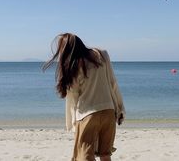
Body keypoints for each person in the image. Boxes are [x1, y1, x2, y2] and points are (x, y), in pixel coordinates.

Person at [43, 33, 125, 161]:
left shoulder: (74, 65)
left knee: (85, 156)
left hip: (87, 115)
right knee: (105, 155)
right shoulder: (102, 54)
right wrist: (120, 109)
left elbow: (73, 99)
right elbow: (112, 83)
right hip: (109, 111)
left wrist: (72, 123)